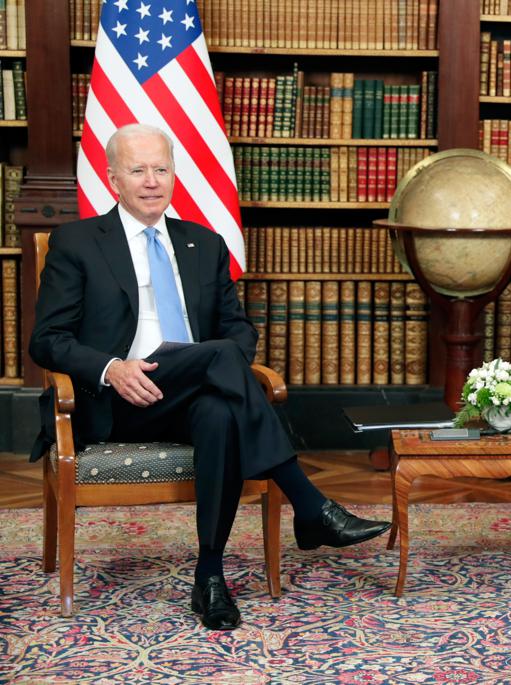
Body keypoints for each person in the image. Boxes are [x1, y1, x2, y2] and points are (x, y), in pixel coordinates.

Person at [29, 124, 391, 631]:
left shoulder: (204, 243)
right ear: (113, 179)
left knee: (220, 402)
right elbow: (47, 340)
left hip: (192, 396)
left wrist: (214, 364)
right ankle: (308, 505)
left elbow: (238, 330)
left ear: (175, 174)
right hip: (117, 401)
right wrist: (113, 368)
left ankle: (210, 575)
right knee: (220, 364)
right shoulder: (78, 242)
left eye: (161, 168)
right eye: (138, 170)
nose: (152, 181)